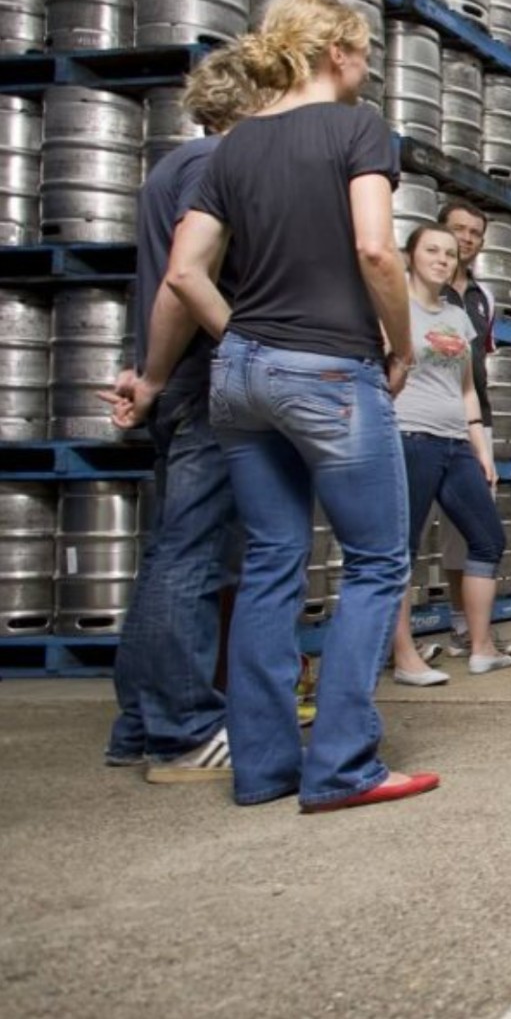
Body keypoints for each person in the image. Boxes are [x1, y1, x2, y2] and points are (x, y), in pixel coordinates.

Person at [153, 0, 437, 812]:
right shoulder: (357, 127)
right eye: (365, 51)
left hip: (238, 375)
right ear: (336, 53)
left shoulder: (232, 147)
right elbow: (377, 248)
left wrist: (247, 336)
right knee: (379, 560)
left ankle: (264, 766)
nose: (371, 66)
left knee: (273, 563)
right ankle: (344, 764)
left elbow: (184, 271)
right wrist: (401, 343)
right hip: (326, 369)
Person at [100, 47, 260, 781]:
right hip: (203, 380)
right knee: (195, 555)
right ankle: (184, 729)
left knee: (169, 550)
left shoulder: (170, 166)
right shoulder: (215, 168)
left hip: (176, 380)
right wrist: (247, 348)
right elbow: (183, 280)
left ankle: (138, 721)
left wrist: (151, 375)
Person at [384, 222, 511, 686]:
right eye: (432, 250)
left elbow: (467, 390)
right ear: (410, 256)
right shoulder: (392, 305)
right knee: (401, 549)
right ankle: (404, 658)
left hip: (456, 440)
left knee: (488, 538)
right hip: (407, 435)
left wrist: (481, 447)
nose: (442, 258)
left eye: (450, 253)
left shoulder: (457, 317)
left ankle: (481, 648)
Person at [433, 200, 511, 661]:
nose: (466, 239)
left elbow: (478, 363)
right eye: (458, 230)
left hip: (474, 416)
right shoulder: (424, 285)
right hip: (422, 413)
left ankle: (466, 626)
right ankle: (409, 632)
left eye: (474, 233)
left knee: (467, 524)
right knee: (414, 527)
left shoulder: (480, 295)